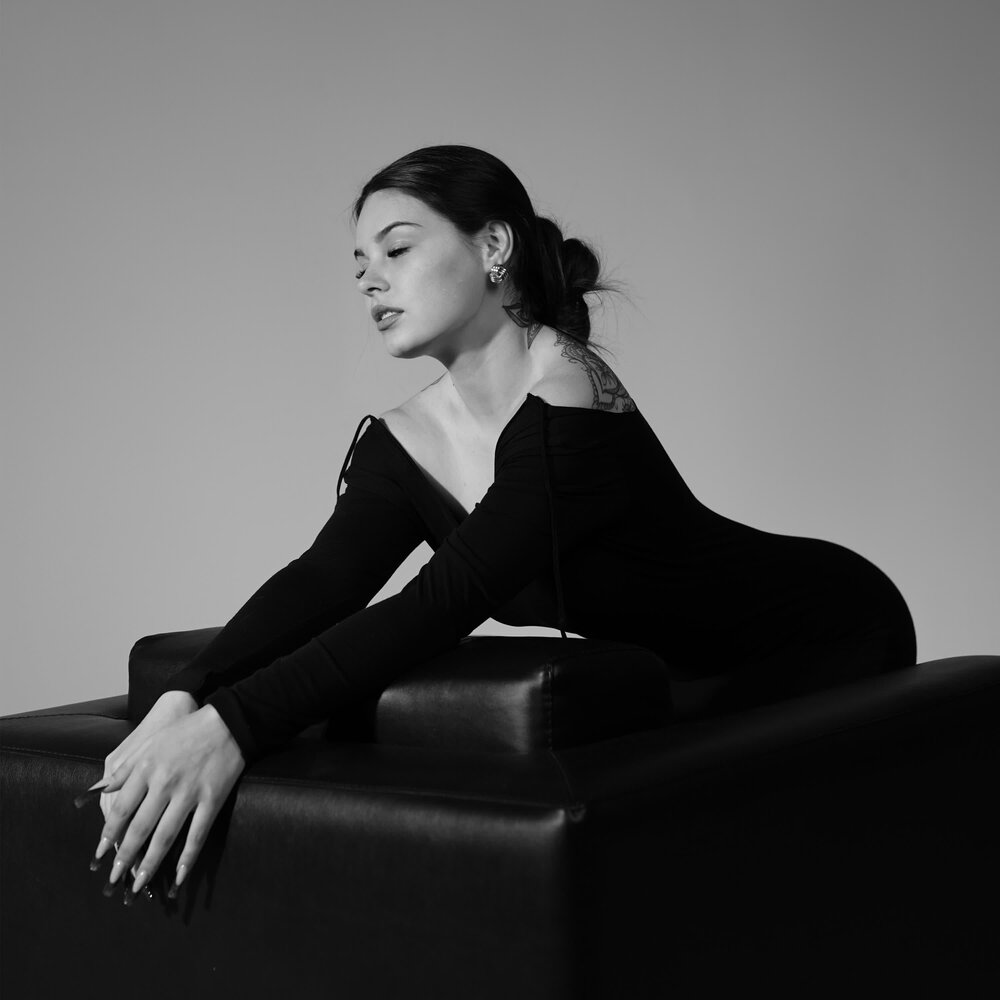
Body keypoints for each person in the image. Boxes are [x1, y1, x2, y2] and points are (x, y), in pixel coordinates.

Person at [82, 144, 917, 902]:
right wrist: (188, 697)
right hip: (676, 685)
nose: (370, 280)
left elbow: (442, 601)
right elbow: (323, 581)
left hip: (818, 638)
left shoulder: (568, 394)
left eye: (397, 250)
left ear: (491, 248)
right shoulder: (406, 439)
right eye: (360, 263)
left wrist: (234, 728)